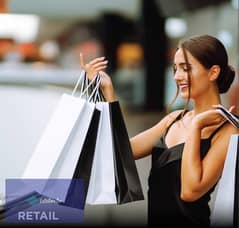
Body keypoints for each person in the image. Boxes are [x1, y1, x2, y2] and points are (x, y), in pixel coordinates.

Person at [79, 34, 239, 227]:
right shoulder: (175, 118)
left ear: (213, 72)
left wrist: (196, 127)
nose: (177, 76)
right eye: (175, 69)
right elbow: (121, 152)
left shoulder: (229, 131)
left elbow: (190, 191)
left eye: (186, 68)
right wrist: (108, 92)